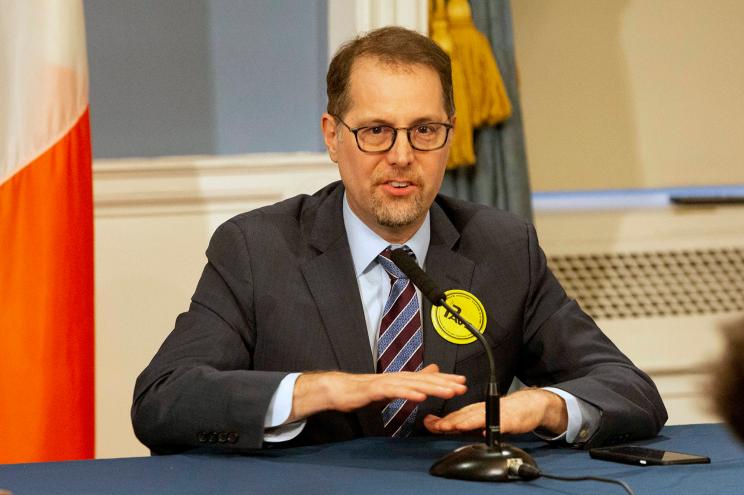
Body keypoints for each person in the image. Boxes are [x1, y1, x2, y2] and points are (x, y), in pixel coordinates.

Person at [131, 26, 666, 453]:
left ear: (449, 136)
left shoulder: (501, 246)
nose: (403, 155)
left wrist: (545, 406)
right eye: (376, 130)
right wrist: (317, 389)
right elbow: (162, 400)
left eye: (425, 130)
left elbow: (629, 388)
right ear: (333, 137)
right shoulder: (257, 249)